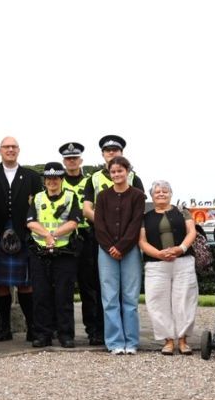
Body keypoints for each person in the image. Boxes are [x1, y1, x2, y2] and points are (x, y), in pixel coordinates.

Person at [0, 136, 42, 342]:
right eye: (6, 147)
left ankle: (32, 327)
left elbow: (38, 207)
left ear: (19, 150)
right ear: (0, 150)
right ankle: (4, 328)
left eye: (13, 147)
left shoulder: (31, 177)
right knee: (0, 284)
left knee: (26, 283)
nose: (10, 150)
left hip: (22, 232)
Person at [139, 180, 198, 355]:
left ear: (171, 193)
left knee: (185, 300)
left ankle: (183, 340)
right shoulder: (145, 217)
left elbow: (192, 232)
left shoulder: (182, 212)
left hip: (183, 261)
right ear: (152, 196)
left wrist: (180, 249)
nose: (161, 194)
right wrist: (158, 254)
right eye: (157, 191)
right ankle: (168, 340)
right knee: (157, 302)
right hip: (156, 264)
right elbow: (141, 241)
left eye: (165, 191)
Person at [26, 163, 82, 348]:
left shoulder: (70, 196)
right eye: (48, 179)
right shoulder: (37, 198)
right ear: (45, 181)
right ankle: (43, 335)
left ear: (61, 179)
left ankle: (66, 335)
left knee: (63, 296)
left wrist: (54, 235)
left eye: (55, 178)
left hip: (64, 252)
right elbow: (31, 222)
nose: (52, 181)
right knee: (41, 295)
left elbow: (74, 222)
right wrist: (47, 236)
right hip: (40, 252)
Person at [93, 156, 144, 354]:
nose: (116, 175)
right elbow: (99, 224)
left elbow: (135, 223)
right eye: (113, 172)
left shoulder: (138, 196)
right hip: (106, 251)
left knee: (130, 298)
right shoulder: (103, 196)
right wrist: (110, 247)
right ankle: (114, 342)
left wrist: (122, 246)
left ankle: (131, 342)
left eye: (120, 171)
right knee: (110, 298)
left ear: (127, 172)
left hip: (130, 250)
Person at [60, 142, 103, 346]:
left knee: (89, 287)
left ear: (81, 160)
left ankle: (93, 330)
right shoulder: (57, 182)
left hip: (87, 236)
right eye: (68, 159)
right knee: (64, 287)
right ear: (63, 161)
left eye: (75, 158)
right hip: (64, 238)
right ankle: (64, 331)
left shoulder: (89, 182)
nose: (71, 162)